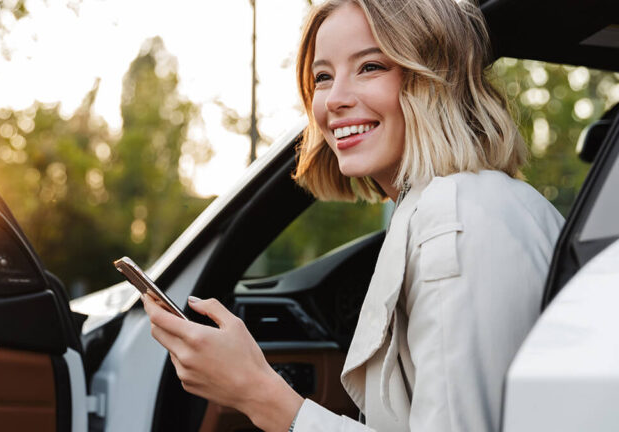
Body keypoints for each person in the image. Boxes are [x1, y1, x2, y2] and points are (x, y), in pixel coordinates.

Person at [141, 0, 565, 430]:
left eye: (370, 67)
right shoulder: (471, 203)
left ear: (433, 78)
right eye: (323, 76)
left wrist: (257, 392)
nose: (335, 100)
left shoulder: (454, 217)